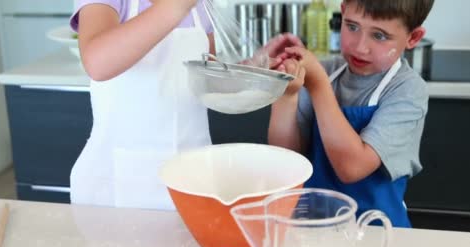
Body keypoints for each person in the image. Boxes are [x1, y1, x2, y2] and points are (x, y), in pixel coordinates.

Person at [69, 0, 302, 210]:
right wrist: (175, 6)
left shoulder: (199, 7)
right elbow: (97, 62)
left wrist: (254, 70)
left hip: (191, 181)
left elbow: (206, 81)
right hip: (116, 188)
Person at [269, 0, 435, 227]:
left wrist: (318, 86)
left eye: (379, 36)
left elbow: (351, 168)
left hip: (377, 233)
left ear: (413, 38)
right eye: (352, 27)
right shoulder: (326, 71)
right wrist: (285, 95)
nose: (359, 47)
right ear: (343, 12)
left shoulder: (407, 90)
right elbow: (286, 158)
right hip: (313, 227)